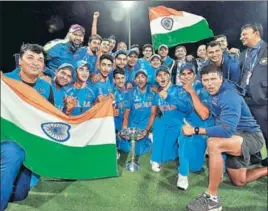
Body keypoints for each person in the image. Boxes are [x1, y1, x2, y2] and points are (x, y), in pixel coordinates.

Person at [184, 64, 267, 211]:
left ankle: (212, 199)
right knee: (240, 181)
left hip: (250, 137)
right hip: (235, 139)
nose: (209, 84)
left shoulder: (229, 95)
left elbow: (226, 131)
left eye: (213, 79)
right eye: (205, 80)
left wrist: (196, 130)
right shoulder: (210, 92)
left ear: (221, 78)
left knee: (214, 144)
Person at [1, 44, 54, 211]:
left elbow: (50, 118)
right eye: (30, 57)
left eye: (40, 60)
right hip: (7, 140)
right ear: (20, 61)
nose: (35, 63)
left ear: (44, 66)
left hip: (30, 144)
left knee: (20, 194)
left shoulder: (46, 88)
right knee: (13, 153)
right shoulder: (5, 80)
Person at [176, 63, 213, 190]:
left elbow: (204, 115)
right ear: (179, 76)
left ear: (194, 75)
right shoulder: (179, 91)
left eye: (189, 73)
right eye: (183, 74)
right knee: (184, 134)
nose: (186, 77)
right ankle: (182, 174)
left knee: (196, 167)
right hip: (186, 128)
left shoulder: (203, 89)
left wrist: (191, 91)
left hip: (203, 130)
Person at [150, 65, 192, 172]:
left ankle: (170, 149)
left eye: (165, 75)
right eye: (159, 75)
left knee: (168, 156)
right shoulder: (157, 95)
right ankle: (155, 158)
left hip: (178, 125)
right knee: (158, 123)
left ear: (169, 77)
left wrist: (168, 97)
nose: (162, 77)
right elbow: (155, 112)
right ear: (156, 79)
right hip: (165, 125)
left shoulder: (179, 90)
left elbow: (187, 108)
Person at [238, 23, 268, 166]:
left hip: (261, 99)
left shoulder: (266, 50)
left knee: (266, 130)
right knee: (248, 130)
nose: (241, 37)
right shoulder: (244, 54)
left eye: (245, 34)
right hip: (244, 98)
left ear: (256, 33)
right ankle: (255, 156)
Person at [118, 70, 157, 156]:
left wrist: (147, 130)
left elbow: (153, 114)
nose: (140, 79)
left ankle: (150, 138)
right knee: (127, 148)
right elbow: (126, 113)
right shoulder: (130, 93)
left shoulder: (153, 93)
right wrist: (124, 129)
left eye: (143, 76)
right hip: (132, 125)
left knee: (138, 151)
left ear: (146, 79)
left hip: (144, 125)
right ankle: (120, 138)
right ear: (135, 80)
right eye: (138, 77)